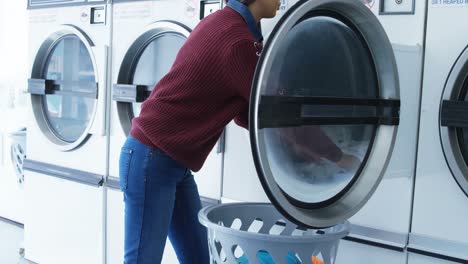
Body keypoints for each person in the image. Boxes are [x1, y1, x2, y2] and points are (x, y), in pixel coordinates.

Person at [119, 0, 280, 263]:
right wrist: (326, 151)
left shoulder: (225, 23)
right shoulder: (237, 40)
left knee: (198, 258)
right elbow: (269, 108)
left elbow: (245, 111)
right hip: (151, 160)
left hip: (170, 164)